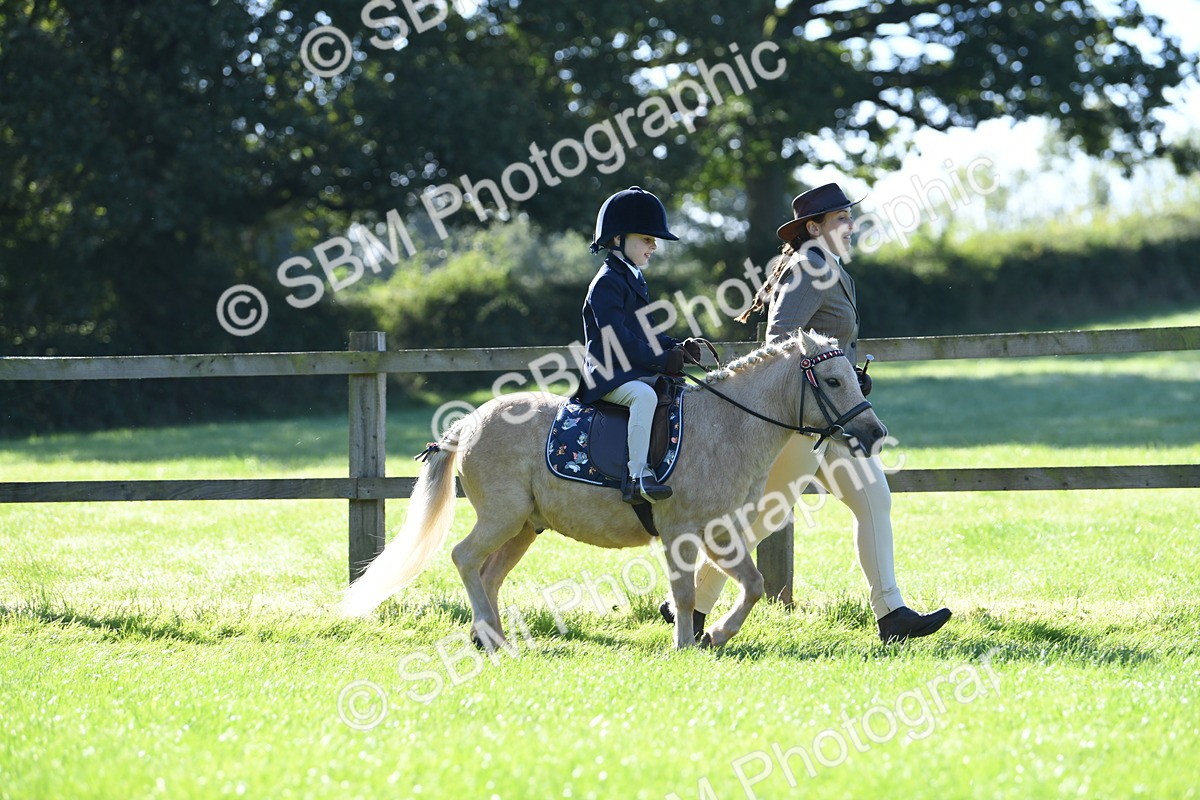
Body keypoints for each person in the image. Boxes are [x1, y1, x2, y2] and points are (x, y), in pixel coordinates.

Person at [664, 183, 952, 643]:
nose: (850, 226)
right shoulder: (809, 269)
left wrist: (850, 381)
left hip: (833, 418)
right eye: (841, 219)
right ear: (814, 228)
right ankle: (692, 613)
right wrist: (825, 381)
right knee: (758, 519)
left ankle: (891, 614)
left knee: (873, 498)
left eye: (848, 218)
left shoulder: (833, 268)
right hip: (803, 420)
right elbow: (779, 342)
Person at [577, 186, 700, 505]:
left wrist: (677, 345)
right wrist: (661, 359)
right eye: (647, 239)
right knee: (645, 395)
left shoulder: (632, 277)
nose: (654, 246)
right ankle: (637, 476)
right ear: (618, 239)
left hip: (629, 370)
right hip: (607, 374)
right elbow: (617, 339)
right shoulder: (606, 282)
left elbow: (645, 330)